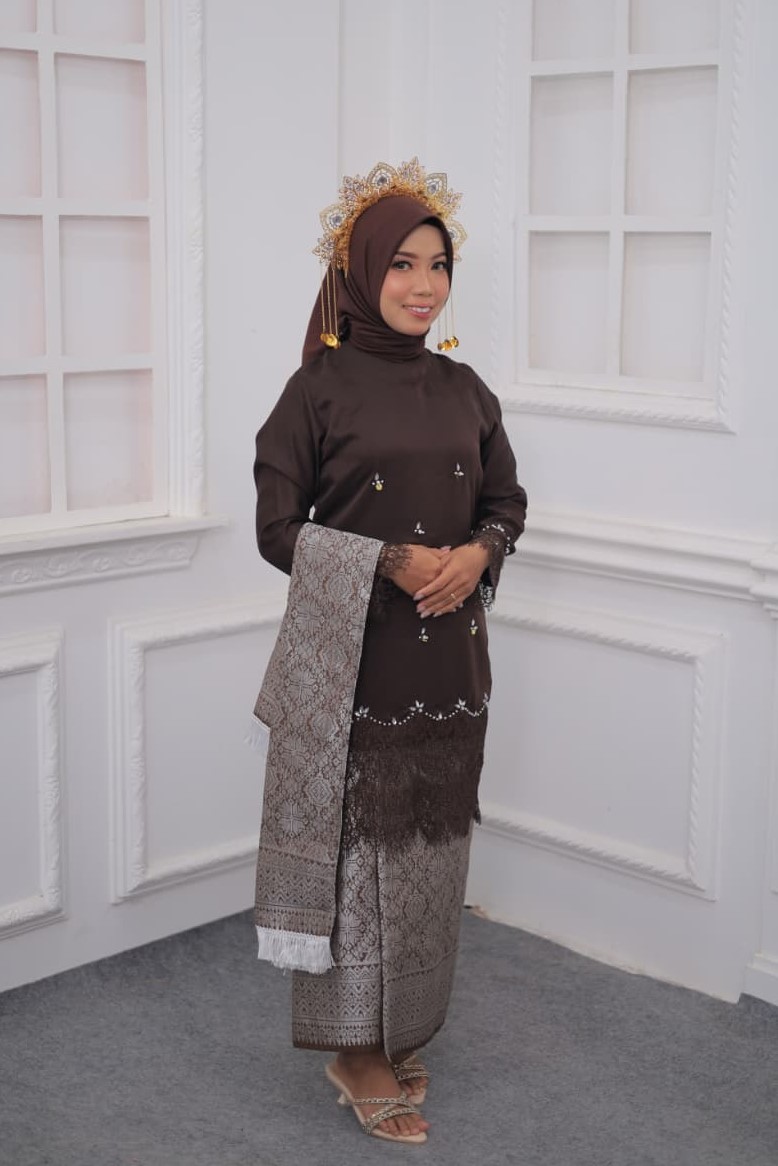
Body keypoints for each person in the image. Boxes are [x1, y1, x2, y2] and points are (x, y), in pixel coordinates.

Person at [251, 159, 527, 1145]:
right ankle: (353, 1050)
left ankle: (399, 1025)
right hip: (355, 671)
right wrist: (390, 561)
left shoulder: (464, 387)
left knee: (427, 859)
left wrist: (477, 552)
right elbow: (277, 529)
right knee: (361, 862)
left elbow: (505, 500)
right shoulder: (315, 389)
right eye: (402, 263)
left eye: (438, 265)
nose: (423, 285)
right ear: (360, 271)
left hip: (449, 668)